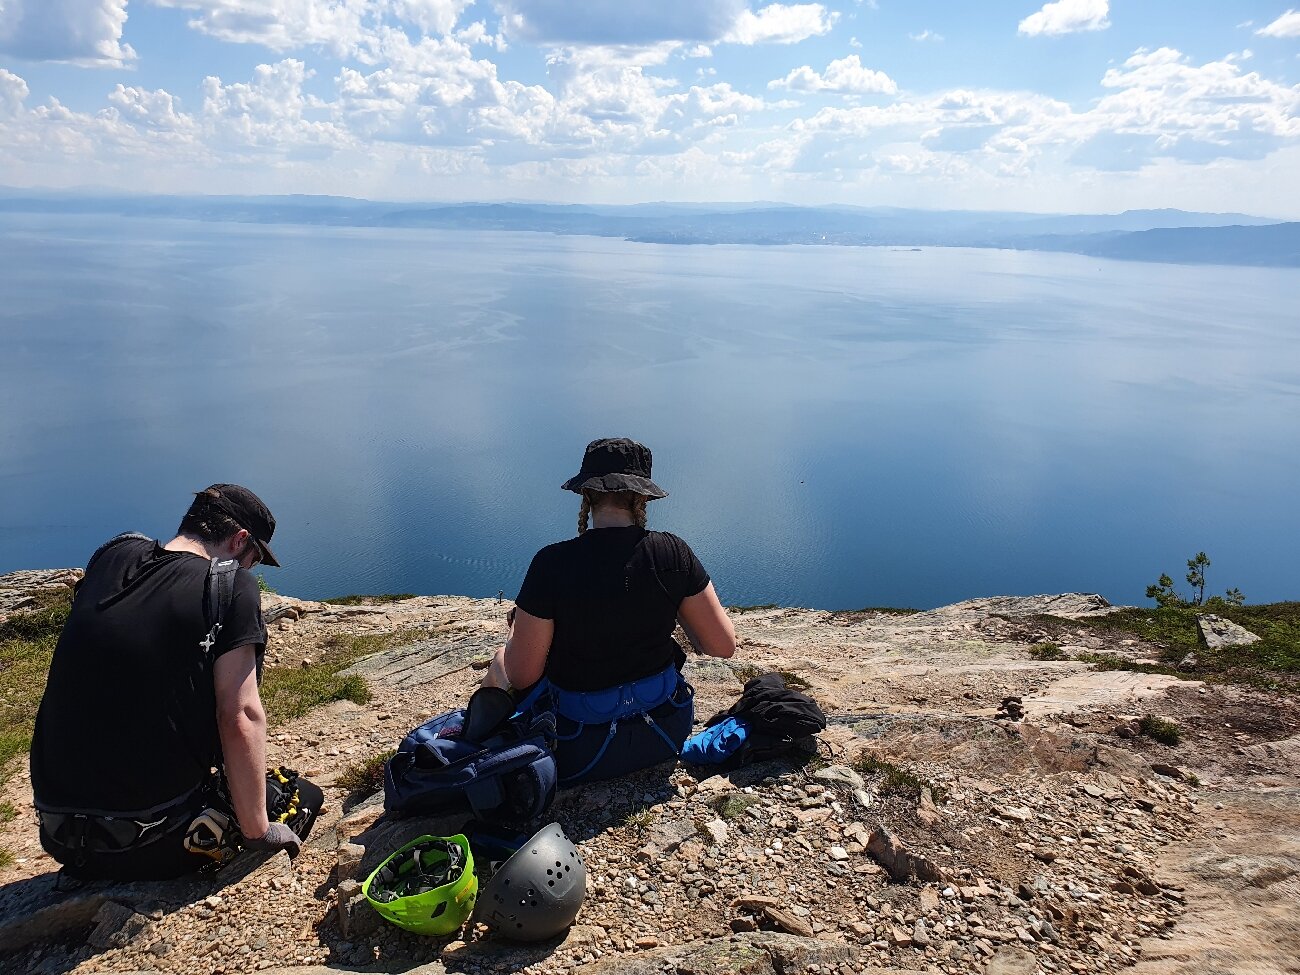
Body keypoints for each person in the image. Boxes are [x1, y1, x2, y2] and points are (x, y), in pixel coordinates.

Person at [30, 484, 322, 880]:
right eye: (253, 558)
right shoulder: (230, 586)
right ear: (239, 540)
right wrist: (258, 831)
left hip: (59, 835)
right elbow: (240, 716)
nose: (248, 569)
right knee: (302, 797)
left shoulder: (113, 555)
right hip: (146, 843)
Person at [482, 438, 736, 785]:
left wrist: (514, 635)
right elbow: (722, 645)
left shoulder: (551, 563)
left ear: (587, 494)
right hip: (665, 734)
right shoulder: (673, 552)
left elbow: (523, 675)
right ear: (642, 496)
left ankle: (478, 746)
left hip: (578, 749)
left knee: (501, 660)